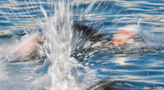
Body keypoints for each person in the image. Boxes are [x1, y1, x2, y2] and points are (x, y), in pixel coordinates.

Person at [11, 22, 141, 61]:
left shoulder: (107, 46)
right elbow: (71, 24)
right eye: (128, 37)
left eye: (131, 39)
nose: (128, 41)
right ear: (121, 33)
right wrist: (37, 40)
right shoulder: (99, 37)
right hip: (55, 47)